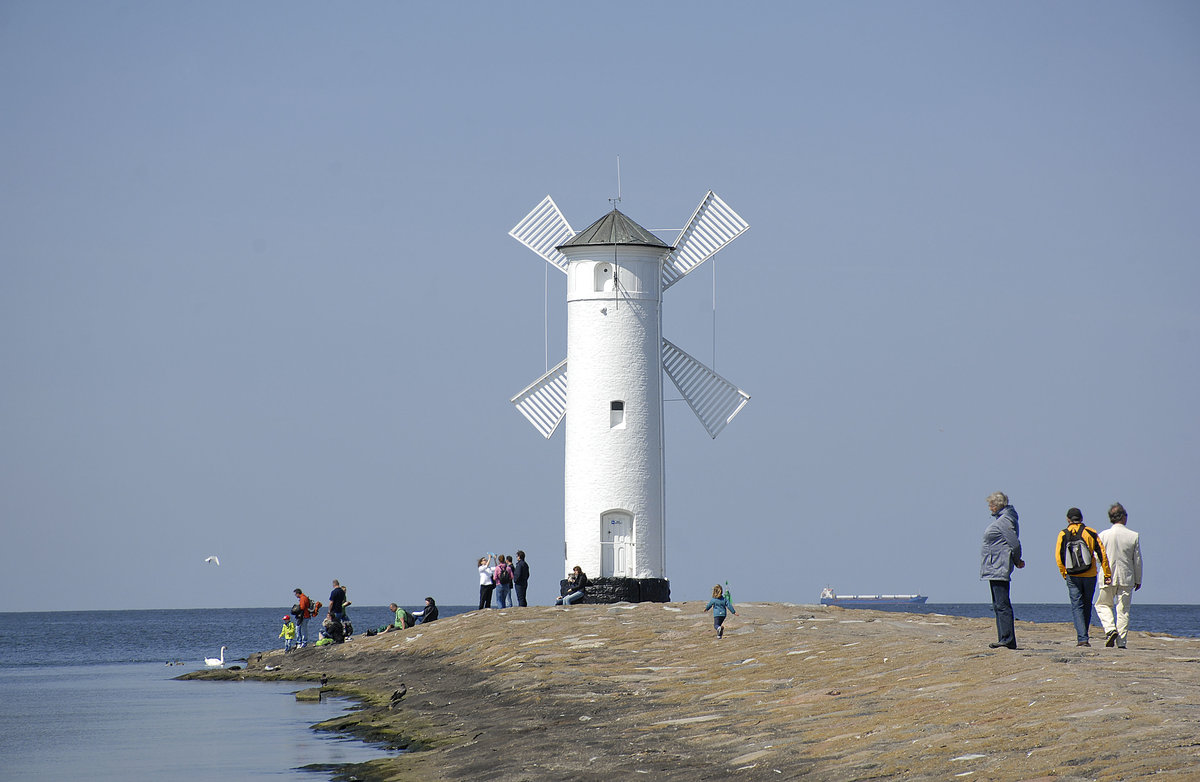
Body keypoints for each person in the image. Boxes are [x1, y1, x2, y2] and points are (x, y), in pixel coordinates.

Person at [1054, 507, 1112, 647]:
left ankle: (1082, 638)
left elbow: (1058, 557)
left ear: (1068, 519)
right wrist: (1107, 573)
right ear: (1081, 518)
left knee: (1076, 606)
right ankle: (1084, 635)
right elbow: (1102, 554)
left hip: (1072, 575)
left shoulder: (1063, 534)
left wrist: (1064, 573)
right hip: (1090, 574)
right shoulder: (1090, 532)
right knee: (1087, 605)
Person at [1094, 502, 1143, 648]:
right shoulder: (1133, 536)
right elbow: (1137, 560)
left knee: (1102, 604)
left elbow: (1097, 557)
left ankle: (1110, 629)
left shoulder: (1102, 535)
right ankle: (1121, 641)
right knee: (1123, 610)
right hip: (1126, 577)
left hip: (1107, 576)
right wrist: (1138, 579)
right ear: (1122, 517)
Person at [980, 491, 1025, 649]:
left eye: (991, 505)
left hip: (999, 566)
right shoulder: (1003, 519)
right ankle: (1004, 637)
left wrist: (1017, 560)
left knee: (1002, 604)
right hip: (995, 566)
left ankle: (1007, 639)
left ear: (998, 505)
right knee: (998, 604)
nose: (989, 507)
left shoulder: (1004, 521)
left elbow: (1014, 543)